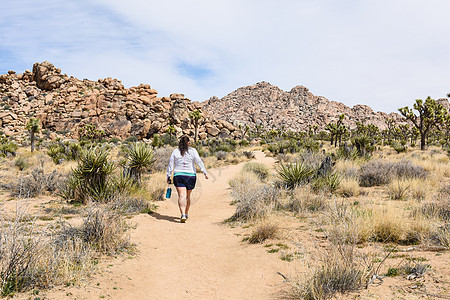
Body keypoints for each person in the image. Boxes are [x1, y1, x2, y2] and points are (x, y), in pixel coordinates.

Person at [167, 135, 208, 223]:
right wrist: (204, 172)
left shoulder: (175, 151)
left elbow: (171, 164)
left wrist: (168, 175)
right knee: (187, 196)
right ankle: (186, 213)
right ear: (188, 143)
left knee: (182, 195)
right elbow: (198, 161)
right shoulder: (193, 151)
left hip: (178, 175)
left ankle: (182, 214)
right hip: (191, 176)